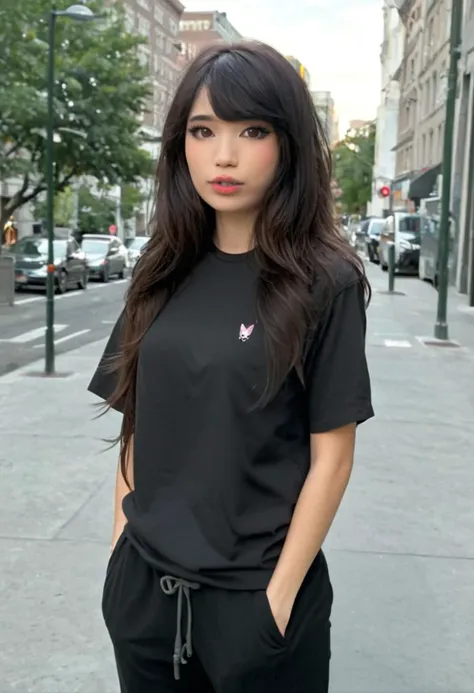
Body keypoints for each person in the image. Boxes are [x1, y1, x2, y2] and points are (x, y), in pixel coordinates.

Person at [88, 40, 374, 693]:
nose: (224, 154)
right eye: (202, 130)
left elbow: (332, 456)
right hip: (145, 597)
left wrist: (272, 606)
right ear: (179, 145)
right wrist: (117, 562)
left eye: (252, 130)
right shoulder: (159, 274)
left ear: (288, 142)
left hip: (255, 607)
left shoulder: (323, 283)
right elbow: (138, 425)